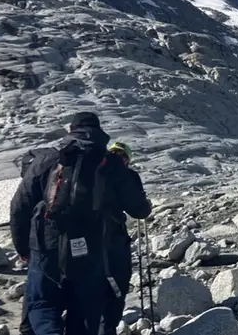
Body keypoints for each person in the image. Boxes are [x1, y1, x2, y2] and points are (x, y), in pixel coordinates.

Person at [9, 112, 148, 335]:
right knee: (85, 308)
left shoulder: (48, 160)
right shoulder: (112, 164)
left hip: (47, 244)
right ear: (99, 132)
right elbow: (140, 210)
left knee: (43, 303)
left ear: (71, 131)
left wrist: (24, 249)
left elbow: (20, 207)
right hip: (91, 247)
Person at [102, 142, 152, 335]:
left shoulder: (91, 169)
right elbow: (139, 210)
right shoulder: (127, 175)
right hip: (113, 237)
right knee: (118, 282)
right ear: (127, 158)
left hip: (82, 237)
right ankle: (108, 327)